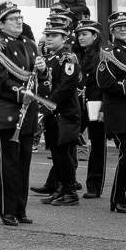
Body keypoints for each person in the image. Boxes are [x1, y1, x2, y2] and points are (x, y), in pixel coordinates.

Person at [0, 1, 41, 226]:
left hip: (27, 110)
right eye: (13, 18)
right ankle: (7, 210)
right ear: (0, 23)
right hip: (6, 109)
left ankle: (20, 209)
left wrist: (43, 72)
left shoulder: (29, 43)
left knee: (24, 162)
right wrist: (21, 94)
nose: (19, 21)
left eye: (20, 17)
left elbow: (35, 76)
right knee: (7, 163)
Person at [36, 22, 82, 206]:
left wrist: (47, 107)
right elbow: (46, 83)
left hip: (64, 111)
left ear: (64, 38)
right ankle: (61, 188)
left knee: (63, 153)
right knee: (56, 152)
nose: (49, 38)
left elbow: (65, 86)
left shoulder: (67, 58)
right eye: (47, 34)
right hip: (53, 112)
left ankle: (70, 191)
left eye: (54, 35)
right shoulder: (50, 57)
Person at [96, 12, 126, 214]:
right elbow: (105, 83)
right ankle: (117, 198)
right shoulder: (108, 52)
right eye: (118, 27)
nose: (123, 29)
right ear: (111, 31)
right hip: (119, 112)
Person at [75, 20, 106, 199]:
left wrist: (104, 107)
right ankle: (62, 181)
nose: (81, 37)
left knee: (97, 145)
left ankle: (94, 186)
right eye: (79, 34)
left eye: (85, 34)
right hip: (77, 105)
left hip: (96, 105)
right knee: (67, 140)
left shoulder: (103, 55)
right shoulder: (76, 55)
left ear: (95, 36)